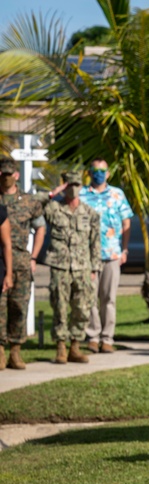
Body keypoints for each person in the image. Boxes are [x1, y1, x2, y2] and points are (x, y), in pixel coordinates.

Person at [44, 171, 101, 364]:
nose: (74, 189)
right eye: (70, 185)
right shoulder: (54, 209)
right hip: (60, 266)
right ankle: (61, 347)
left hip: (83, 267)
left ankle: (75, 346)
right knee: (59, 306)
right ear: (64, 186)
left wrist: (95, 268)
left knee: (82, 308)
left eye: (77, 185)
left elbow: (95, 242)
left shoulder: (90, 213)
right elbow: (36, 205)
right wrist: (54, 193)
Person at [80, 159, 134, 353]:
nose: (99, 173)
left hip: (112, 254)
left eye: (102, 170)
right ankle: (93, 336)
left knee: (108, 298)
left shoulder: (117, 194)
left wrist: (124, 250)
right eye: (95, 170)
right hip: (87, 256)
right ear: (89, 172)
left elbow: (126, 223)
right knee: (90, 298)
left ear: (108, 173)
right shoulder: (81, 194)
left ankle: (107, 338)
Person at [0, 157, 46, 370]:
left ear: (16, 175)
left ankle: (15, 352)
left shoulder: (28, 201)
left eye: (8, 174)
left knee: (19, 306)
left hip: (21, 260)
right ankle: (0, 350)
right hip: (1, 262)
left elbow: (40, 228)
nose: (5, 178)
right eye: (2, 174)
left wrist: (34, 256)